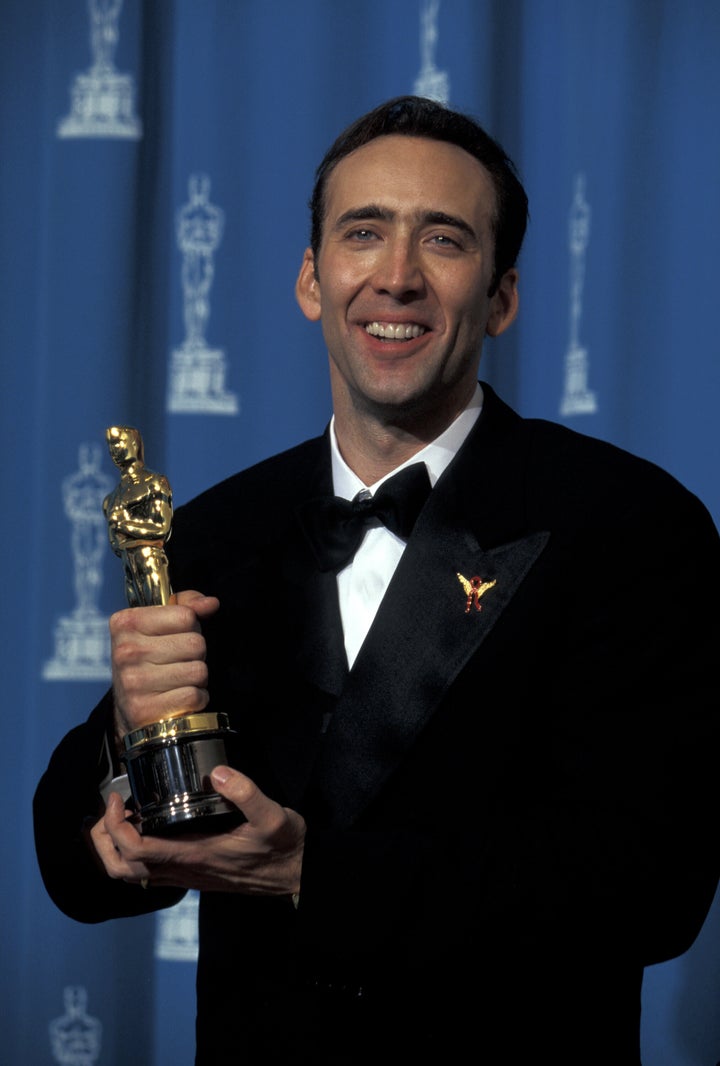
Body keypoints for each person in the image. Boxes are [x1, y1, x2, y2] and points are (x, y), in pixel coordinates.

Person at [34, 95, 720, 1064]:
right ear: (313, 279)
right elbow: (75, 875)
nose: (395, 278)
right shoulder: (220, 530)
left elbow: (655, 888)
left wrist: (314, 871)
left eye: (443, 240)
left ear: (501, 296)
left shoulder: (628, 522)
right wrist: (123, 732)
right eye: (363, 234)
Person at [103, 425, 173, 607]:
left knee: (162, 620)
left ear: (134, 444)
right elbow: (115, 543)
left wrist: (125, 524)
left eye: (119, 442)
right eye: (111, 445)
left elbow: (161, 528)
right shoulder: (110, 499)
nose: (114, 450)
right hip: (128, 566)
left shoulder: (154, 482)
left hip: (150, 560)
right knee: (139, 626)